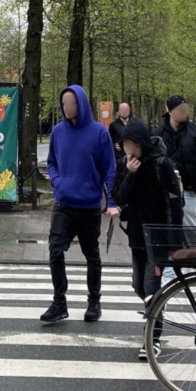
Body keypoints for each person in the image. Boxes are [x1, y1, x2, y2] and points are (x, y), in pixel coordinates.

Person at [42, 84, 117, 325]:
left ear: (81, 104)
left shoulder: (98, 133)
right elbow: (51, 161)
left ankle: (94, 301)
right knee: (55, 251)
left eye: (71, 103)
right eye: (64, 104)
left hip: (88, 206)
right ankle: (59, 302)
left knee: (91, 255)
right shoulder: (57, 131)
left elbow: (110, 169)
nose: (67, 107)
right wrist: (56, 180)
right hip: (63, 203)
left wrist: (112, 202)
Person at [112, 119, 183, 360]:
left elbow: (176, 200)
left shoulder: (161, 164)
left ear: (142, 142)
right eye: (125, 144)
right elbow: (118, 198)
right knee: (139, 286)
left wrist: (175, 237)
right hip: (136, 235)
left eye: (132, 143)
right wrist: (130, 174)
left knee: (151, 289)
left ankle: (151, 338)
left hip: (159, 237)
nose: (129, 149)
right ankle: (157, 311)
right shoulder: (124, 164)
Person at [155, 95, 196, 231]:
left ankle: (191, 252)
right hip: (167, 191)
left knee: (191, 230)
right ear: (171, 111)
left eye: (186, 109)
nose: (184, 112)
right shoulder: (158, 134)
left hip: (191, 190)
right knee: (170, 230)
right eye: (180, 109)